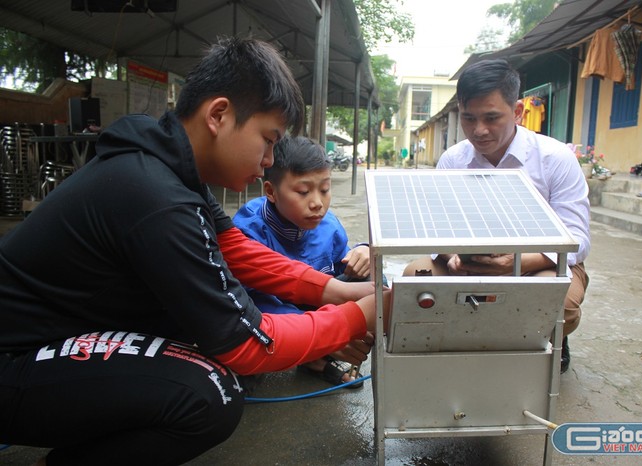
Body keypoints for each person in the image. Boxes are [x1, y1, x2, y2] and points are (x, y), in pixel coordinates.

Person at [0, 37, 387, 466]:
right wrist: (358, 317)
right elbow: (251, 345)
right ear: (219, 115)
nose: (268, 159)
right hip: (15, 361)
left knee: (196, 335)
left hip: (58, 340)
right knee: (210, 392)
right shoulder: (155, 196)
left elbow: (238, 253)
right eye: (267, 139)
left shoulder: (170, 170)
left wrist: (339, 292)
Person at [403, 59, 590, 374]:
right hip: (464, 261)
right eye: (469, 118)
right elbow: (435, 230)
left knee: (559, 302)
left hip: (537, 264)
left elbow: (577, 240)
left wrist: (516, 263)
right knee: (414, 278)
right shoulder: (452, 161)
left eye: (492, 118)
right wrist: (452, 257)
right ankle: (467, 345)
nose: (479, 130)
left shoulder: (555, 159)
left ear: (517, 111)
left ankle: (545, 337)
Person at [234, 135, 371, 387]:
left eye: (325, 189)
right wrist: (328, 333)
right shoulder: (247, 232)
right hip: (278, 320)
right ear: (271, 191)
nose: (318, 203)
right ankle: (317, 355)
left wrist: (363, 252)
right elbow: (248, 306)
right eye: (303, 191)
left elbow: (345, 269)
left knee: (373, 278)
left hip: (319, 309)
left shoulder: (329, 226)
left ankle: (326, 353)